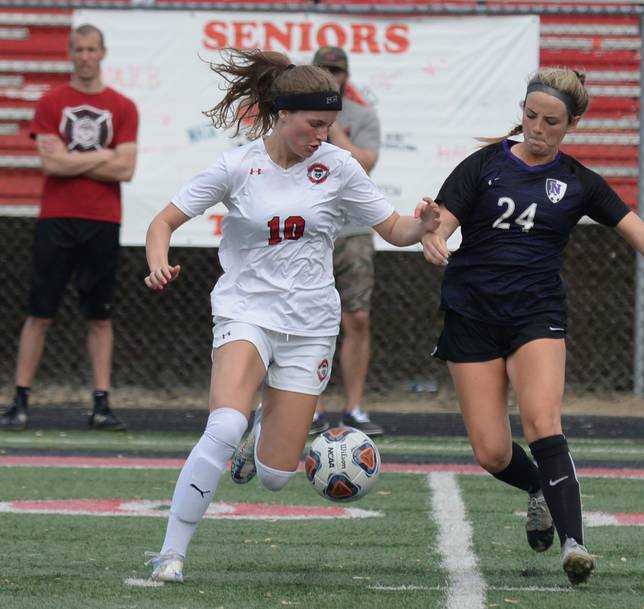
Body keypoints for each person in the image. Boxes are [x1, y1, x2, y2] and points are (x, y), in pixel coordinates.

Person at [142, 49, 439, 583]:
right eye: (315, 124)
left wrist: (427, 224)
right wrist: (159, 261)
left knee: (278, 476)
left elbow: (395, 229)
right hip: (246, 310)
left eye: (330, 125)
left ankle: (261, 435)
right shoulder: (238, 166)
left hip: (311, 325)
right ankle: (170, 552)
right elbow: (162, 222)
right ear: (282, 113)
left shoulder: (339, 166)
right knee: (224, 422)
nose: (322, 136)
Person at [420, 67, 644, 585]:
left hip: (536, 314)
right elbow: (441, 222)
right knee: (491, 451)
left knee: (542, 422)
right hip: (471, 314)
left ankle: (576, 543)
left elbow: (638, 228)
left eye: (550, 121)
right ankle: (536, 489)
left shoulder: (577, 182)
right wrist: (432, 236)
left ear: (570, 124)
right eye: (530, 116)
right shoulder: (482, 167)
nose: (537, 127)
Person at [0, 24, 138, 432]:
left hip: (102, 220)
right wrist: (104, 156)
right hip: (56, 220)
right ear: (69, 53)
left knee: (99, 316)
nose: (84, 56)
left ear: (103, 52)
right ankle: (20, 400)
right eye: (78, 49)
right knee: (39, 312)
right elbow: (52, 164)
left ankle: (100, 403)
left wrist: (74, 159)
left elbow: (126, 168)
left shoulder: (123, 106)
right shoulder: (51, 102)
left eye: (91, 49)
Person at [308, 46, 383, 436]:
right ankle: (311, 408)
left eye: (336, 72)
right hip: (309, 230)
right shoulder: (297, 119)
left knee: (357, 317)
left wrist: (331, 125)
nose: (330, 77)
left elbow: (363, 163)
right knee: (307, 319)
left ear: (345, 77)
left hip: (352, 229)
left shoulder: (362, 117)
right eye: (323, 71)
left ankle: (354, 407)